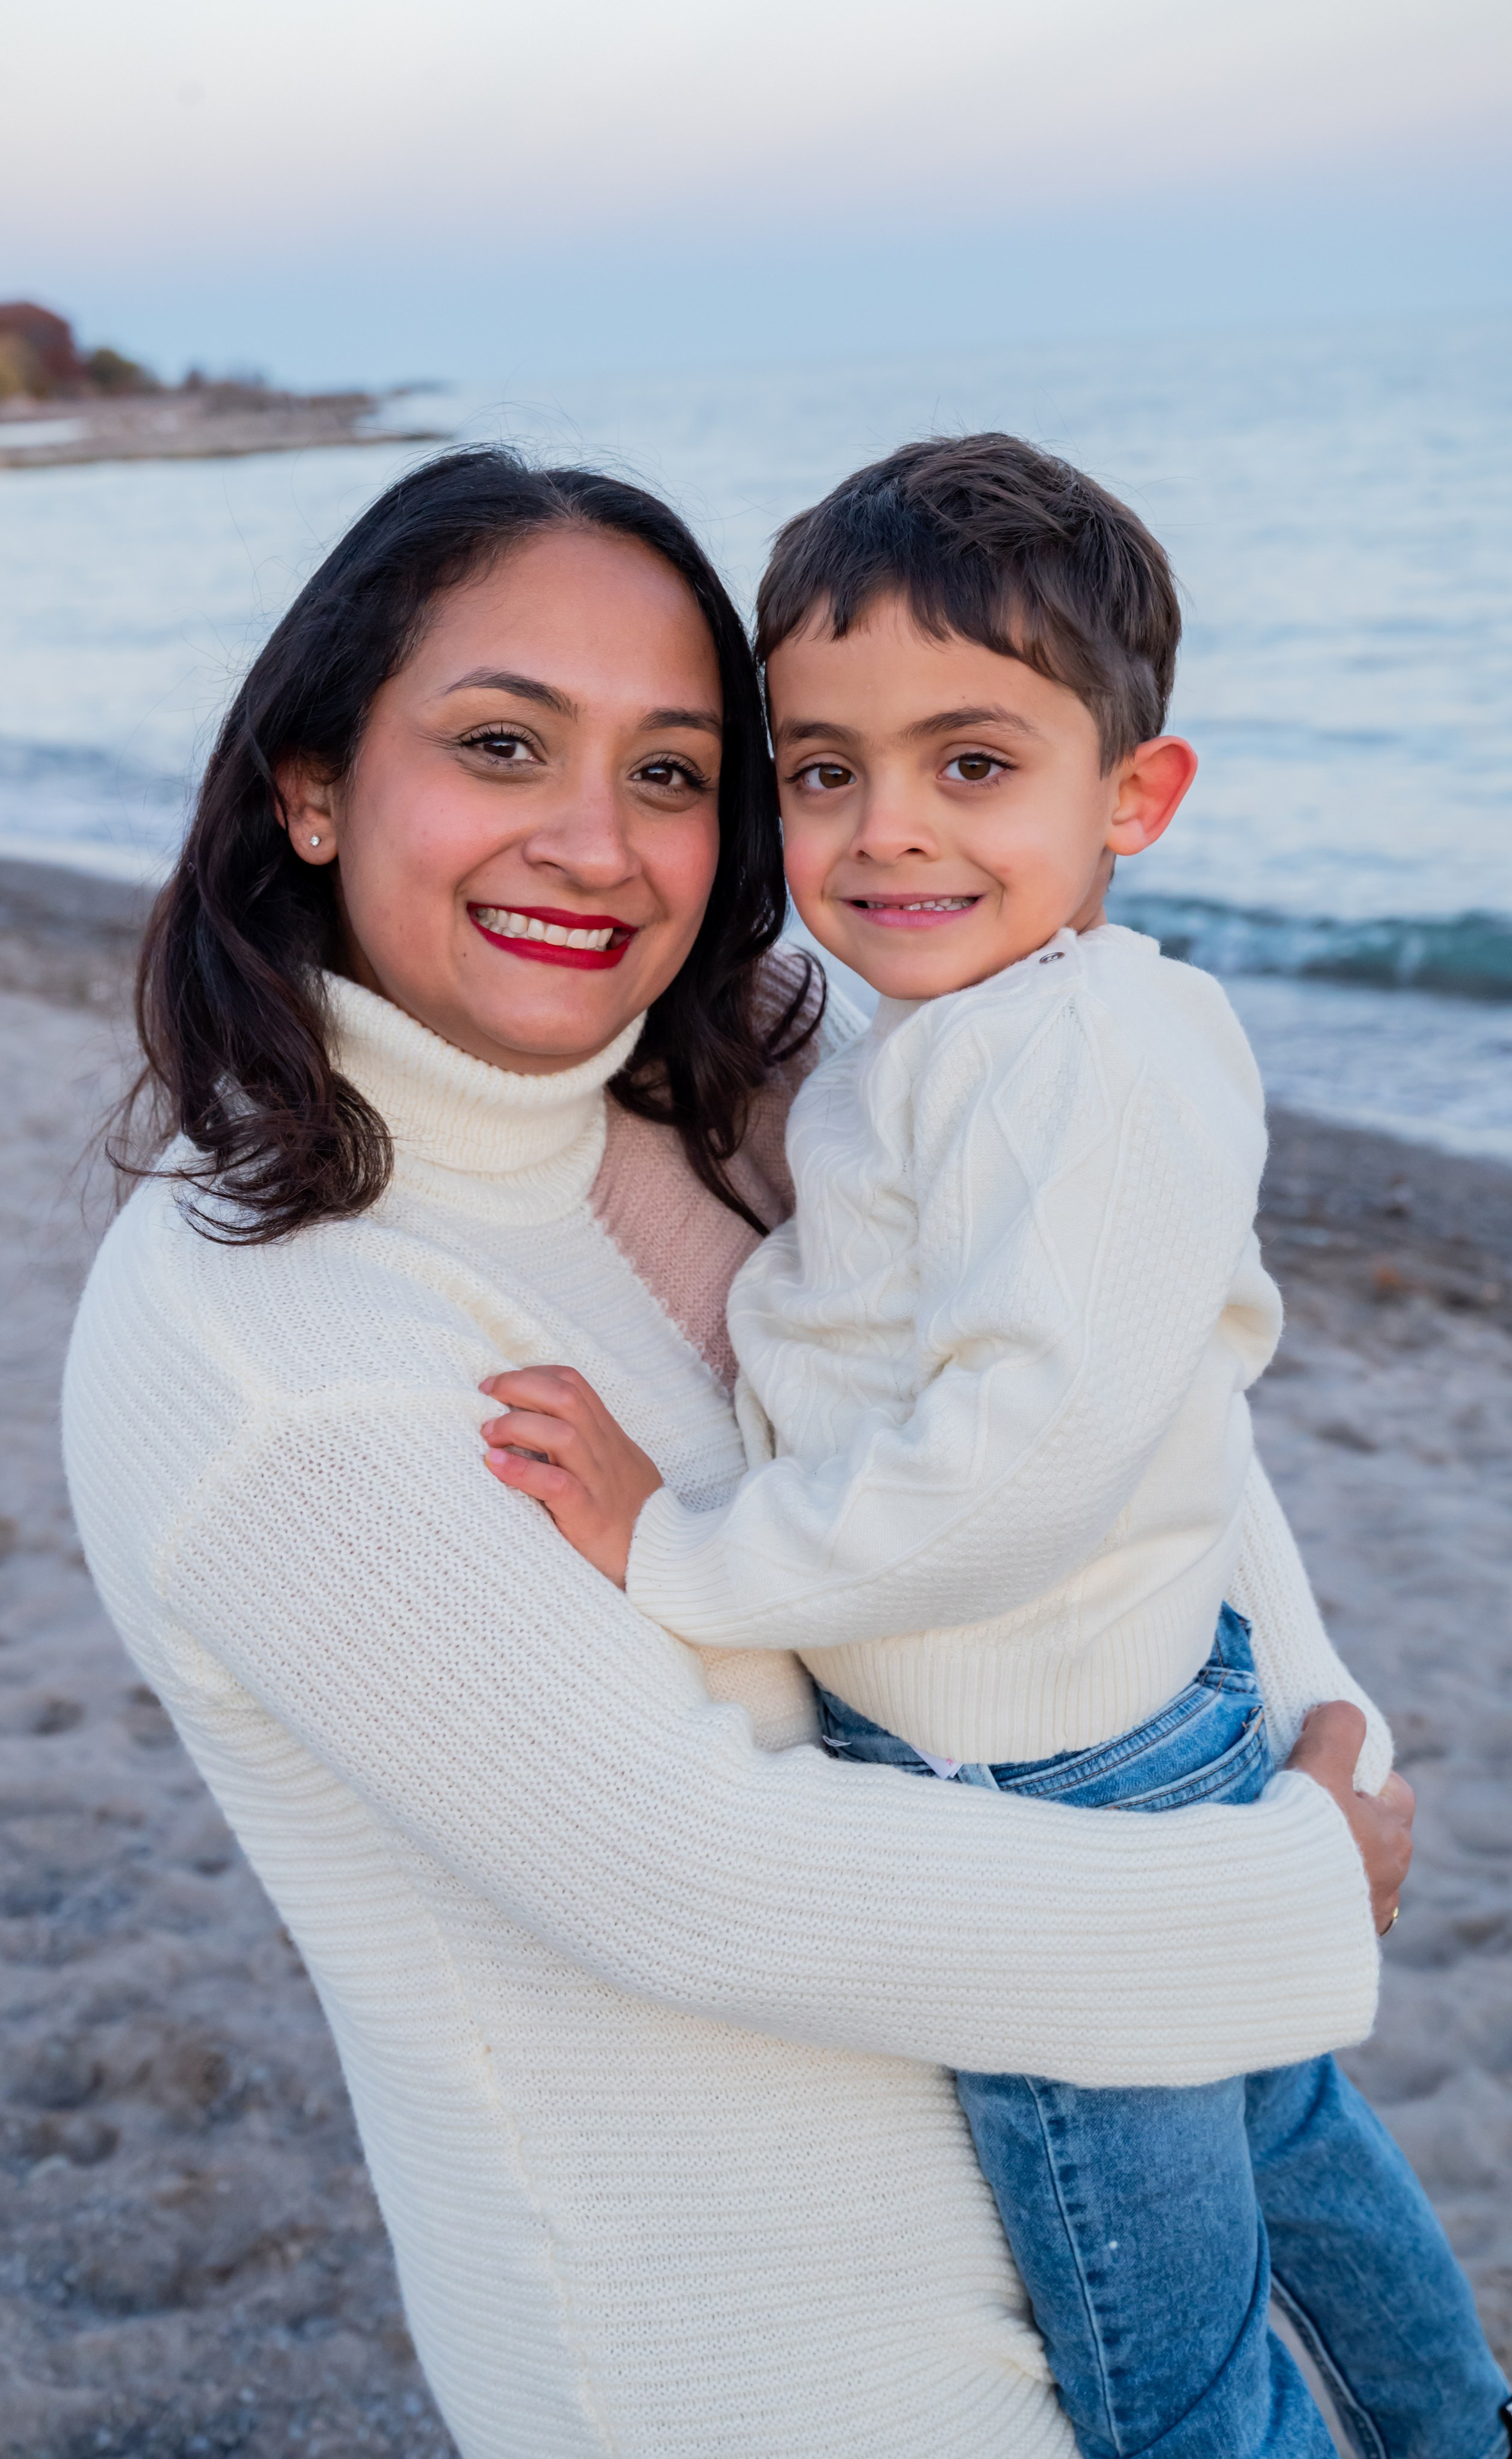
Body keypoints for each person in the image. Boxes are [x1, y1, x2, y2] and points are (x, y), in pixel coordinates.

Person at [66, 446, 1415, 2459]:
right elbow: (694, 1876)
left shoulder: (776, 1052)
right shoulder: (262, 1340)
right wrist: (1290, 1889)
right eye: (503, 743)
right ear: (313, 782)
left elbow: (1112, 1381)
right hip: (789, 2377)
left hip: (1113, 2186)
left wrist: (1316, 1720)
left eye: (676, 770)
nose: (596, 844)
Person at [480, 435, 1510, 2458]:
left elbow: (1022, 1460)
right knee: (1290, 2130)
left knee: (1163, 2356)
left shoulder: (1088, 1061)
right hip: (1133, 1726)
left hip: (1050, 1793)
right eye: (824, 769)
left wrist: (683, 1548)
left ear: (1135, 796)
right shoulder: (958, 1033)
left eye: (973, 762)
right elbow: (1175, 1405)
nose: (888, 829)